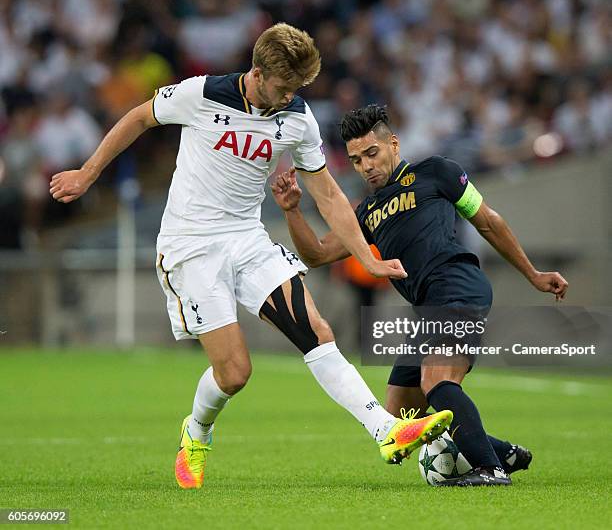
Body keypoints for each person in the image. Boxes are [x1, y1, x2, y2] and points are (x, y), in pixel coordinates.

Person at [49, 25, 453, 490]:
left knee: (317, 330)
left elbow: (329, 195)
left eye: (297, 90)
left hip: (247, 238)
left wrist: (369, 257)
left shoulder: (298, 119)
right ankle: (196, 432)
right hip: (191, 244)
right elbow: (140, 118)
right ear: (257, 73)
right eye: (283, 88)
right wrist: (87, 172)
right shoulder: (203, 94)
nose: (289, 98)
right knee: (235, 372)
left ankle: (385, 431)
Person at [271, 104, 569, 487]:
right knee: (400, 416)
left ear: (393, 144)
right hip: (426, 308)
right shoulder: (366, 212)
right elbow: (316, 254)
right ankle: (500, 452)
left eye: (372, 153)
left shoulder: (437, 172)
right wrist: (293, 211)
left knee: (437, 382)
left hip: (457, 286)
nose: (365, 166)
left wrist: (534, 274)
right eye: (356, 160)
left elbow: (489, 222)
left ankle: (490, 470)